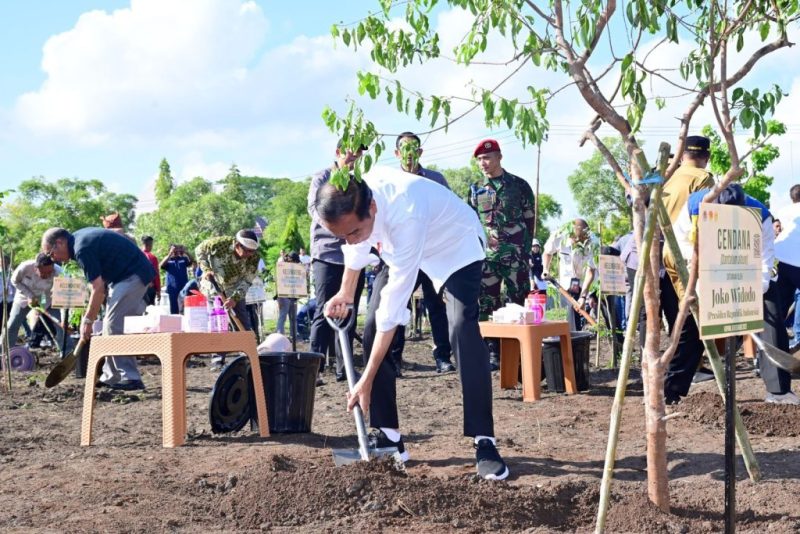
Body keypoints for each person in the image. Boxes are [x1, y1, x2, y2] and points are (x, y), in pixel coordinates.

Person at [317, 166, 509, 481]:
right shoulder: (355, 197)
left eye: (353, 231)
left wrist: (365, 378)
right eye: (343, 235)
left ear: (373, 209)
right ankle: (390, 437)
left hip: (454, 246)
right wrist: (346, 292)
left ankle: (484, 440)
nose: (350, 240)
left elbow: (392, 313)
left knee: (462, 328)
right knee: (369, 328)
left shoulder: (405, 212)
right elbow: (355, 246)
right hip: (403, 250)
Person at [674, 184, 793, 403]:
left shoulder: (761, 216)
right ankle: (670, 390)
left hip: (748, 267)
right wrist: (699, 275)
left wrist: (753, 293)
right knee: (691, 324)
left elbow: (765, 259)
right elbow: (680, 241)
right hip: (704, 267)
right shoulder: (694, 206)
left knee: (772, 317)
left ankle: (779, 391)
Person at [362, 131, 455, 374]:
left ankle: (442, 357)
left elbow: (448, 212)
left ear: (421, 151)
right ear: (396, 153)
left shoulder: (436, 179)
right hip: (399, 255)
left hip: (431, 254)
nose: (410, 153)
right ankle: (394, 359)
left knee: (436, 306)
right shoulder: (388, 181)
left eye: (414, 148)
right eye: (404, 148)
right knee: (396, 300)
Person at [41, 227, 155, 390]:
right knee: (109, 326)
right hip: (123, 277)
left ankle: (130, 377)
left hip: (133, 275)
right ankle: (112, 376)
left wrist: (87, 321)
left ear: (59, 243)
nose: (54, 259)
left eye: (51, 254)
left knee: (114, 325)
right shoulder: (79, 241)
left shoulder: (82, 249)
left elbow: (97, 288)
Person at [469, 138, 535, 370]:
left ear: (499, 157)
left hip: (516, 257)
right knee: (487, 304)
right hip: (487, 259)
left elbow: (529, 220)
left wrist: (524, 252)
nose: (483, 163)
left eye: (487, 158)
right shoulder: (475, 188)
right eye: (479, 160)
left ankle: (518, 353)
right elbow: (470, 221)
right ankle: (493, 354)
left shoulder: (519, 185)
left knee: (518, 303)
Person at [660, 135, 716, 404]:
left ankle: (672, 382)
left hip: (663, 253)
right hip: (687, 252)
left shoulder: (668, 176)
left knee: (678, 322)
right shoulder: (703, 179)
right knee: (691, 324)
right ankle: (672, 389)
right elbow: (704, 220)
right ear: (706, 156)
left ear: (682, 155)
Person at [307, 139, 367, 383]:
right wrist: (341, 229)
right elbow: (314, 209)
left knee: (349, 312)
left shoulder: (360, 181)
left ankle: (345, 369)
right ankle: (313, 369)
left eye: (359, 156)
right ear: (338, 152)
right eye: (351, 154)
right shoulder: (322, 177)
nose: (354, 159)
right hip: (326, 255)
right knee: (324, 311)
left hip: (353, 255)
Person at [195, 230, 261, 369]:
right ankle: (217, 359)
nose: (250, 255)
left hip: (235, 288)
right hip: (214, 285)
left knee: (242, 320)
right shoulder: (218, 244)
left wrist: (235, 298)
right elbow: (199, 250)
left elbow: (247, 280)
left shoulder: (254, 258)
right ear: (237, 245)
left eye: (252, 252)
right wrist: (206, 269)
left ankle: (248, 354)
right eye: (247, 251)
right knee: (219, 323)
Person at [542, 219, 597, 330]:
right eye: (576, 239)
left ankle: (576, 341)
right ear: (570, 235)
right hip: (563, 284)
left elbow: (591, 270)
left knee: (578, 317)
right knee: (563, 317)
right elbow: (547, 252)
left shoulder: (593, 242)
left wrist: (583, 296)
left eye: (582, 240)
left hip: (583, 284)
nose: (579, 242)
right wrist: (546, 269)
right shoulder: (558, 235)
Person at [4, 253, 64, 350]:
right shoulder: (24, 267)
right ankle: (4, 352)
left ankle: (67, 353)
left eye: (49, 272)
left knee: (60, 325)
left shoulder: (59, 272)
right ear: (36, 268)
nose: (46, 275)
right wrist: (29, 295)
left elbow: (66, 290)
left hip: (46, 298)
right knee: (12, 325)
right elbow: (14, 281)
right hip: (23, 297)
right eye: (43, 273)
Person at [774, 184, 800, 355]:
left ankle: (774, 340)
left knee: (780, 304)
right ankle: (798, 337)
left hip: (782, 259)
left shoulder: (784, 211)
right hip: (798, 261)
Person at [160, 244, 194, 314]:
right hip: (172, 288)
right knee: (174, 308)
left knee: (185, 306)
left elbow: (191, 261)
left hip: (184, 287)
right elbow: (161, 265)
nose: (176, 250)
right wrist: (170, 254)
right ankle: (175, 322)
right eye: (174, 249)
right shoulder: (168, 260)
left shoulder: (183, 258)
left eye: (177, 249)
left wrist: (186, 252)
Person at [276, 252, 301, 336]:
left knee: (293, 318)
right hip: (284, 296)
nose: (297, 264)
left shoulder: (296, 268)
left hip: (293, 295)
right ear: (290, 260)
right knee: (283, 316)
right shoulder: (281, 267)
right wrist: (279, 298)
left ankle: (293, 334)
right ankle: (280, 335)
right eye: (295, 262)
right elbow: (278, 283)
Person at [140, 236, 161, 306]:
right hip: (149, 288)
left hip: (137, 287)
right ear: (149, 245)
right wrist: (158, 290)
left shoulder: (136, 255)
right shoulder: (152, 257)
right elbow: (156, 275)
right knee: (150, 309)